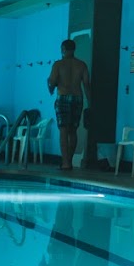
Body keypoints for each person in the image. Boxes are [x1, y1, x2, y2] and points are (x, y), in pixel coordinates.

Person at [47, 39, 90, 170]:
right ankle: (69, 161)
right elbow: (87, 85)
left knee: (63, 130)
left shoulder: (58, 65)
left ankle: (65, 163)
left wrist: (48, 82)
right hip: (78, 98)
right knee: (73, 131)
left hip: (63, 98)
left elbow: (51, 86)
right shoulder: (82, 65)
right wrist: (91, 104)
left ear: (63, 49)